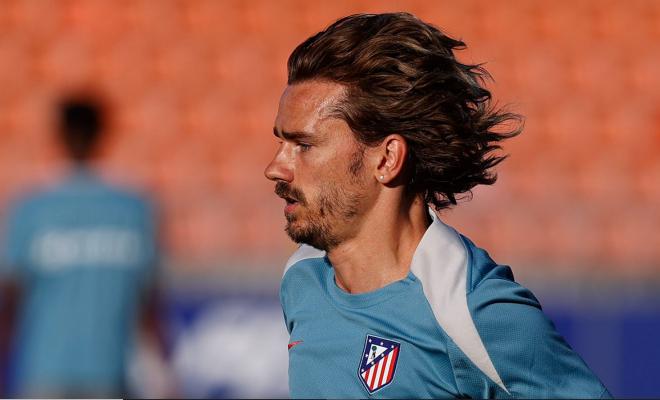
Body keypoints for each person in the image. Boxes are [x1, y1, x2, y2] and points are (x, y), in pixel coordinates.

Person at [264, 12, 610, 398]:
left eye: (304, 146)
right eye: (281, 143)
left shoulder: (471, 310)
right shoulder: (302, 277)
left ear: (386, 158)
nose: (275, 168)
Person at [0, 94, 164, 397]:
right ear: (102, 133)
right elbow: (148, 303)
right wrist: (162, 369)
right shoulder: (132, 208)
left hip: (48, 370)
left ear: (58, 134)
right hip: (102, 369)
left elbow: (11, 298)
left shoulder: (33, 208)